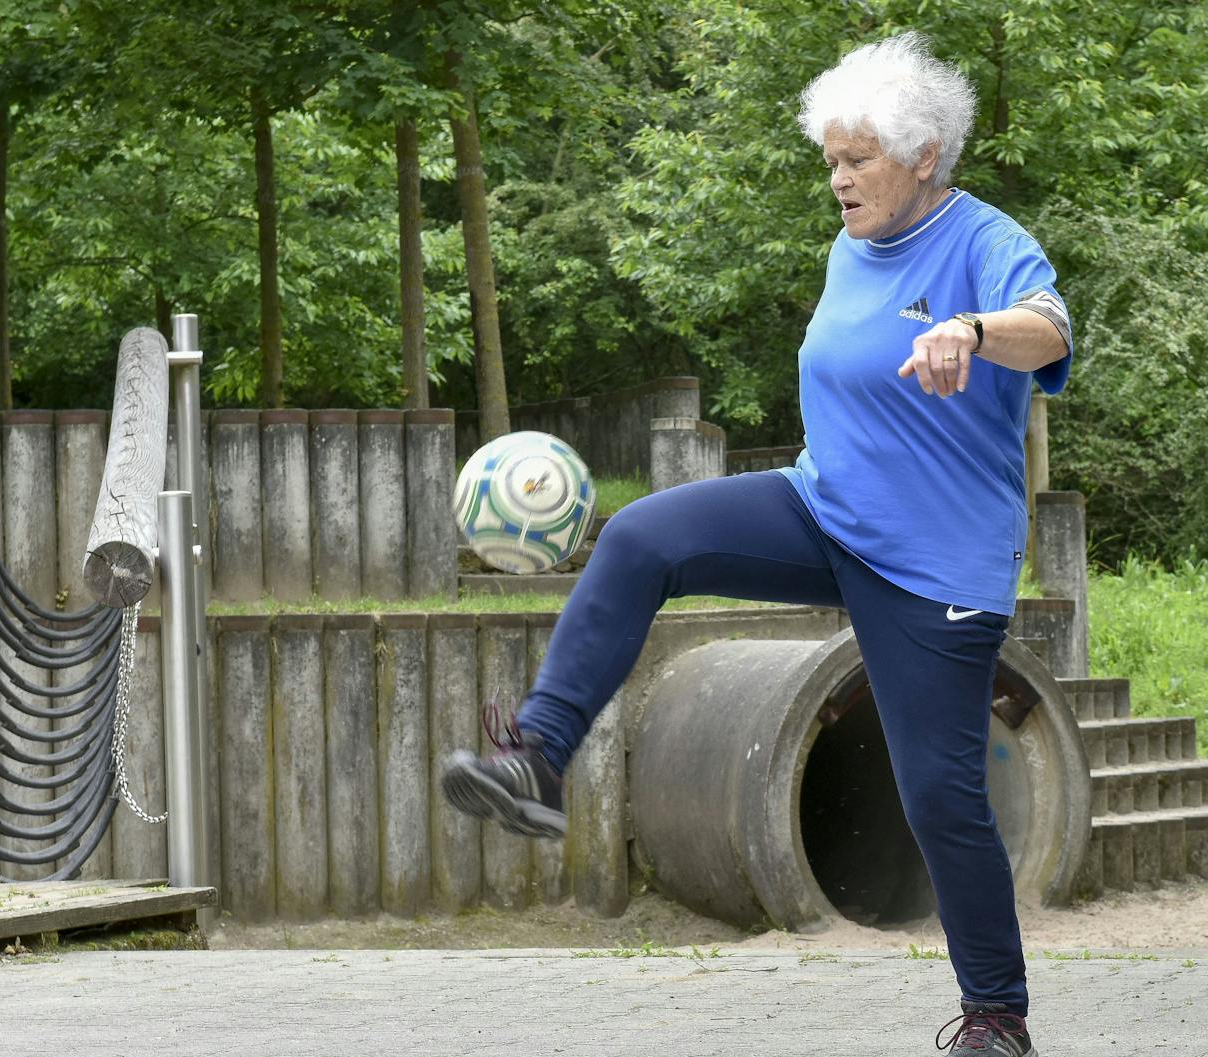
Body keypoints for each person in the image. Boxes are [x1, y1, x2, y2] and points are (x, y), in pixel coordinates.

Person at [441, 31, 1071, 1057]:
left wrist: (970, 330)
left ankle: (997, 1017)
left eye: (858, 159)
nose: (838, 179)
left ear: (924, 156)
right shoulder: (847, 247)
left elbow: (1047, 327)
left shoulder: (982, 240)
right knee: (640, 536)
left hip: (934, 566)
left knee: (937, 795)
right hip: (822, 512)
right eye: (830, 159)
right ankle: (538, 757)